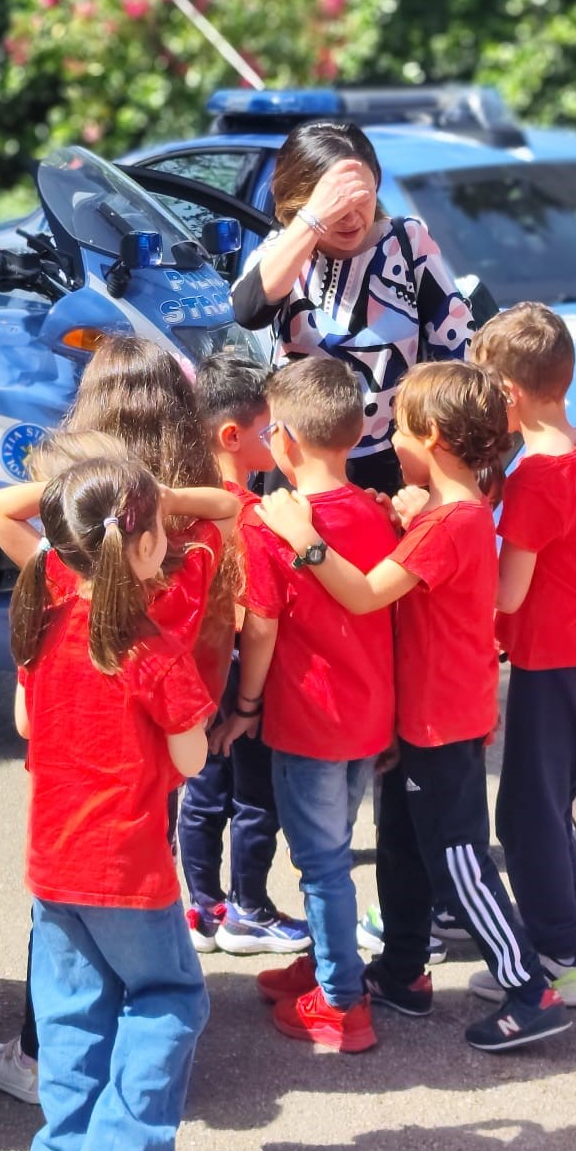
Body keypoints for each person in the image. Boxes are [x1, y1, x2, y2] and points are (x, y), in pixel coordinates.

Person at [257, 360, 570, 1054]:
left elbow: (366, 594)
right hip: (420, 715)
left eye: (398, 427)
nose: (390, 439)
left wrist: (301, 536)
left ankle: (529, 989)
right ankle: (402, 972)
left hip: (441, 720)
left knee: (457, 859)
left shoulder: (450, 523)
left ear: (429, 436)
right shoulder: (453, 513)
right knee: (399, 845)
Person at [0, 338, 252, 1106]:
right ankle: (135, 1070)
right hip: (159, 752)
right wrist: (157, 493)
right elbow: (230, 506)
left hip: (64, 779)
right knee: (139, 922)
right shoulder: (188, 551)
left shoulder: (55, 569)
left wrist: (94, 483)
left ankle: (46, 1061)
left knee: (61, 927)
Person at [11, 457, 220, 1151]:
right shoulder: (151, 650)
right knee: (169, 997)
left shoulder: (44, 625)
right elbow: (192, 758)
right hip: (127, 868)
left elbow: (25, 721)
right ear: (141, 545)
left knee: (71, 1024)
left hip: (53, 863)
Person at [212, 355, 399, 1053]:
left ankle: (343, 1002)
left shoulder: (272, 524)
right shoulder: (378, 509)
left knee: (321, 862)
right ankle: (331, 962)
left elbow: (259, 626)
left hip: (309, 717)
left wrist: (248, 705)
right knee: (337, 845)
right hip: (370, 711)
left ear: (283, 438)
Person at [465, 303, 576, 1011]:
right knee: (549, 810)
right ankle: (575, 939)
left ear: (509, 395)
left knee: (525, 817)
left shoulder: (536, 478)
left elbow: (511, 588)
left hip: (551, 668)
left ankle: (557, 957)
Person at [230, 120, 478, 495]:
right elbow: (249, 310)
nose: (351, 218)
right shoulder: (284, 252)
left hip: (393, 462)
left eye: (361, 200)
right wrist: (313, 220)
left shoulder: (407, 241)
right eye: (337, 206)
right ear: (301, 199)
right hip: (301, 469)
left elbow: (456, 345)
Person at [177, 353, 304, 958]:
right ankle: (248, 909)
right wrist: (249, 704)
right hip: (237, 678)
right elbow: (258, 622)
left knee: (202, 792)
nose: (278, 439)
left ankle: (203, 907)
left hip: (195, 676)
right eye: (269, 428)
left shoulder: (185, 502)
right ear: (233, 436)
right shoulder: (250, 517)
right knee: (255, 796)